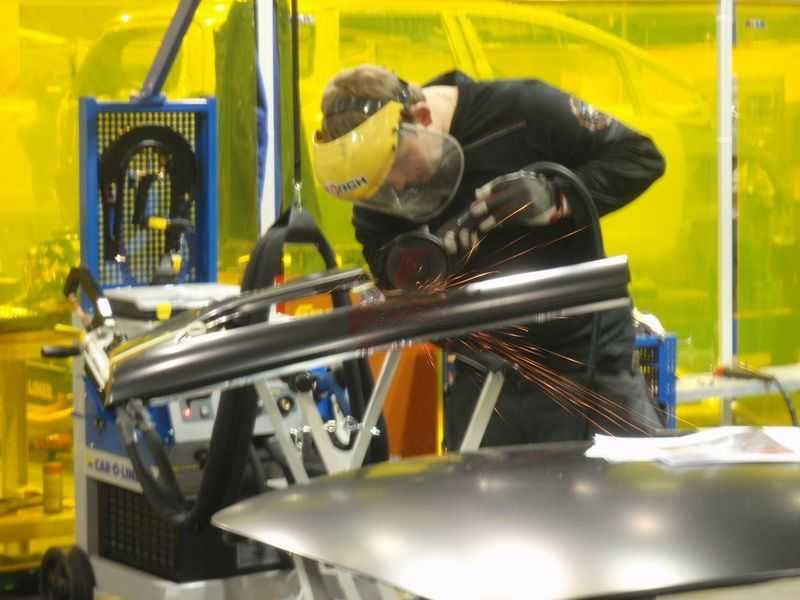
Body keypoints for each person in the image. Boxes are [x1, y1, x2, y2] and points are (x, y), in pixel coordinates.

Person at [311, 64, 666, 448]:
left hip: (585, 365)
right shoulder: (379, 190)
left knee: (632, 478)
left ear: (423, 118)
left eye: (395, 168)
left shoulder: (522, 110)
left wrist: (556, 196)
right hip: (484, 377)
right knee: (477, 490)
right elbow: (392, 277)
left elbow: (640, 157)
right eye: (378, 189)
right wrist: (425, 266)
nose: (394, 187)